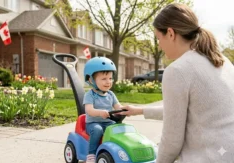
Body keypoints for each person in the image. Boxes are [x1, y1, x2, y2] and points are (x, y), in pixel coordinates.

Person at [121, 3, 234, 163]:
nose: (159, 45)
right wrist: (139, 110)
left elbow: (172, 141)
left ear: (171, 33)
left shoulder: (177, 70)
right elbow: (186, 111)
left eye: (158, 38)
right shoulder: (222, 61)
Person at [83, 57, 123, 163]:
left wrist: (123, 110)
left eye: (110, 78)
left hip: (108, 122)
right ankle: (91, 154)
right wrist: (100, 113)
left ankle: (117, 151)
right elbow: (89, 110)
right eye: (104, 79)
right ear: (91, 80)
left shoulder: (111, 94)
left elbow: (117, 106)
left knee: (118, 129)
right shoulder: (90, 95)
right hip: (93, 123)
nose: (108, 82)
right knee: (97, 130)